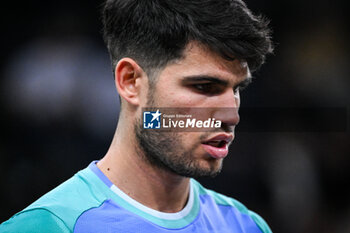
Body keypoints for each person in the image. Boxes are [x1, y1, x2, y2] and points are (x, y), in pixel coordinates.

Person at [0, 0, 273, 232]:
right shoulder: (49, 225)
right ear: (131, 82)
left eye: (236, 88)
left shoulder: (246, 225)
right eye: (203, 87)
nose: (231, 115)